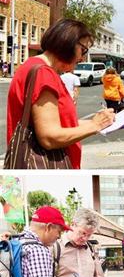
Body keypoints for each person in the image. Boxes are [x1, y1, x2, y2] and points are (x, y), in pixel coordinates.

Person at [6, 19, 115, 169]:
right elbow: (50, 137)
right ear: (68, 43)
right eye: (83, 50)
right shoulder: (44, 74)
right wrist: (95, 125)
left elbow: (60, 123)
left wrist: (98, 122)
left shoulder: (30, 66)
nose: (82, 58)